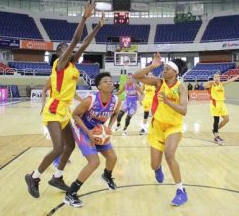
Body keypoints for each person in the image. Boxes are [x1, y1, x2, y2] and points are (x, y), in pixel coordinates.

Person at [25, 3, 106, 199]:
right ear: (60, 53)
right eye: (65, 49)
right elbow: (77, 40)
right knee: (58, 147)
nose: (69, 51)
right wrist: (84, 19)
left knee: (70, 145)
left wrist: (98, 27)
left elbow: (84, 44)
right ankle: (33, 177)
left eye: (68, 50)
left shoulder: (71, 63)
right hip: (53, 109)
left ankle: (57, 177)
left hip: (63, 110)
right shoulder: (60, 64)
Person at [133, 53, 189, 206]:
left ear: (175, 73)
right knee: (153, 165)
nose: (164, 71)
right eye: (164, 68)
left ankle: (181, 191)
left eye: (167, 69)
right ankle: (158, 169)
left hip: (173, 126)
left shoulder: (181, 88)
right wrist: (152, 65)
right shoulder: (158, 83)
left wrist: (167, 101)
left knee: (170, 154)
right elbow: (137, 77)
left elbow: (184, 110)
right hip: (157, 126)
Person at [64, 72, 121, 207]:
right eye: (105, 81)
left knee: (112, 158)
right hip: (82, 130)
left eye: (110, 81)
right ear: (99, 86)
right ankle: (70, 194)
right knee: (94, 162)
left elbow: (116, 113)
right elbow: (75, 115)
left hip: (98, 131)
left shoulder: (116, 101)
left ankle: (107, 176)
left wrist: (109, 128)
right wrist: (88, 132)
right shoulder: (90, 100)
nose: (109, 83)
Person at [204, 72, 239, 144]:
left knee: (226, 119)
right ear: (213, 78)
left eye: (218, 77)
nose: (216, 78)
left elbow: (231, 80)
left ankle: (215, 129)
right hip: (215, 103)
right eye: (215, 77)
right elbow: (204, 86)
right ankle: (216, 136)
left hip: (222, 103)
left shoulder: (222, 84)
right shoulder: (211, 84)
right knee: (216, 120)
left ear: (219, 78)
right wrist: (210, 81)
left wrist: (238, 76)